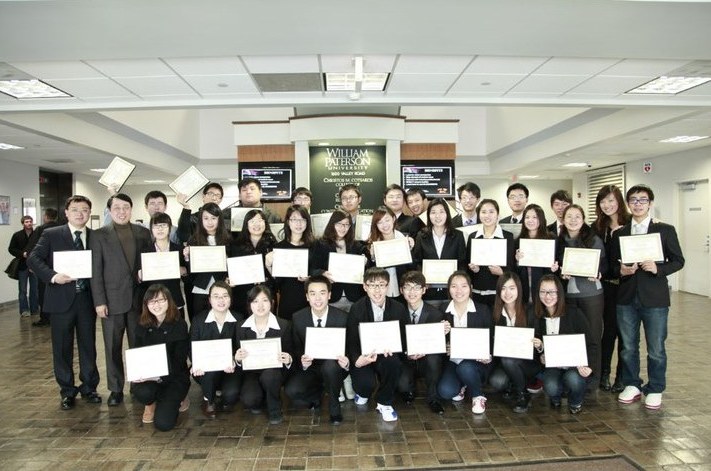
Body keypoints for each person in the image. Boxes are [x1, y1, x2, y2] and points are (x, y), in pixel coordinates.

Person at [610, 184, 684, 410]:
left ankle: (655, 388)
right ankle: (632, 384)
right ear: (628, 204)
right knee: (628, 347)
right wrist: (621, 271)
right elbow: (612, 266)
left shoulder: (665, 230)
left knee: (656, 348)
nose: (638, 204)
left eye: (642, 200)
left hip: (655, 299)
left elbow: (678, 261)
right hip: (626, 298)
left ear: (650, 203)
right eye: (633, 200)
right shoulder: (620, 233)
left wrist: (658, 268)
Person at [27, 195, 101, 410]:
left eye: (85, 210)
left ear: (89, 213)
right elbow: (33, 258)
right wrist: (52, 276)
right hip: (60, 299)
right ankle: (67, 391)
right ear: (66, 212)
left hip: (87, 299)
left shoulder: (95, 236)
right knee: (62, 347)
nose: (80, 213)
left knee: (88, 346)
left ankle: (89, 387)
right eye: (75, 209)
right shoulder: (52, 234)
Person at [90, 193, 153, 407]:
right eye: (116, 207)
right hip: (111, 300)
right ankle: (115, 389)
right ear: (109, 210)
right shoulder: (99, 235)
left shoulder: (143, 233)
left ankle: (138, 384)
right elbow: (96, 271)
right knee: (112, 347)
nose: (121, 211)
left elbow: (149, 262)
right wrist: (99, 302)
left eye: (126, 207)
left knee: (138, 345)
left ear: (131, 209)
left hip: (138, 300)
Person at [284, 275, 349, 425]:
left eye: (322, 293)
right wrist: (303, 362)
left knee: (330, 367)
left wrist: (346, 362)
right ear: (307, 296)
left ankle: (334, 405)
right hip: (311, 368)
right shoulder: (298, 318)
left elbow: (350, 347)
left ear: (329, 295)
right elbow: (296, 348)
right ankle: (317, 394)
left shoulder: (342, 317)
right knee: (292, 391)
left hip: (334, 366)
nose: (318, 298)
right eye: (313, 293)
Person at [347, 267, 408, 422]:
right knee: (365, 386)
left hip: (387, 354)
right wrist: (357, 360)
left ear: (387, 286)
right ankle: (363, 393)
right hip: (364, 355)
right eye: (372, 285)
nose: (377, 290)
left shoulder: (399, 308)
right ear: (365, 287)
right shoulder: (357, 308)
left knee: (393, 363)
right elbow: (351, 340)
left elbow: (404, 338)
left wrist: (396, 348)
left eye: (381, 285)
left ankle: (384, 403)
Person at [556, 204, 605, 388]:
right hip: (568, 295)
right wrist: (560, 272)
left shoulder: (593, 239)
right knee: (573, 336)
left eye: (577, 216)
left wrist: (598, 272)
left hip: (591, 294)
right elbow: (556, 266)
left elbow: (604, 264)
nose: (573, 220)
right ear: (563, 219)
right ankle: (574, 377)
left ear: (583, 219)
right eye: (569, 216)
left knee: (593, 335)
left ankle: (593, 378)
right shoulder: (560, 241)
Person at [532, 274, 594, 414]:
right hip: (552, 366)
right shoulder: (537, 316)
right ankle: (555, 397)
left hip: (574, 365)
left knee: (573, 379)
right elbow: (538, 348)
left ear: (559, 292)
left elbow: (591, 343)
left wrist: (589, 366)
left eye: (552, 292)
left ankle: (575, 401)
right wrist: (541, 353)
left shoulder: (574, 313)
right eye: (543, 292)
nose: (547, 296)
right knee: (550, 386)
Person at [132, 284, 190, 431]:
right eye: (152, 301)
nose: (156, 305)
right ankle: (150, 403)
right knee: (142, 392)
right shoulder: (141, 324)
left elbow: (179, 361)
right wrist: (138, 373)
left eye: (161, 300)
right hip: (150, 379)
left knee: (164, 424)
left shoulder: (180, 325)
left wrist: (159, 376)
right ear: (146, 304)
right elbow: (137, 353)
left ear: (169, 301)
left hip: (174, 378)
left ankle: (179, 397)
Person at [235, 285, 293, 425]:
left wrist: (288, 358)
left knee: (270, 376)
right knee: (250, 400)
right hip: (252, 372)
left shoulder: (284, 325)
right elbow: (238, 354)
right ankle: (262, 397)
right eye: (255, 301)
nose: (260, 306)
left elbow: (291, 352)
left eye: (264, 300)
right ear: (250, 304)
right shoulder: (241, 327)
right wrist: (237, 359)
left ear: (272, 302)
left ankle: (274, 409)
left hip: (274, 372)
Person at [437, 271, 493, 415]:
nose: (459, 291)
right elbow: (437, 341)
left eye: (463, 286)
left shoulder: (483, 310)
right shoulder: (443, 309)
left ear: (471, 288)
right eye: (454, 286)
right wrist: (444, 342)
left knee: (465, 368)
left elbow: (491, 339)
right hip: (454, 361)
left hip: (476, 362)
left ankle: (477, 395)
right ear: (449, 289)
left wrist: (488, 355)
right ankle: (464, 383)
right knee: (445, 392)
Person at [592, 185, 631, 393]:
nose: (607, 205)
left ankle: (622, 376)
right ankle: (604, 373)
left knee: (626, 334)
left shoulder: (632, 224)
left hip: (628, 287)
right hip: (606, 287)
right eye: (603, 201)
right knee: (607, 332)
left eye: (611, 200)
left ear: (619, 201)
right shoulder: (597, 226)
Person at [190, 281, 244, 418]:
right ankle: (208, 400)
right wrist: (196, 363)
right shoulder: (198, 320)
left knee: (230, 396)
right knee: (209, 373)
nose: (221, 300)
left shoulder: (239, 319)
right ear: (209, 300)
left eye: (225, 296)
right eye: (216, 296)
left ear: (230, 299)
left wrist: (234, 360)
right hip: (206, 370)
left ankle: (219, 391)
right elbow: (192, 346)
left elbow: (240, 346)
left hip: (230, 368)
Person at [488, 272, 540, 413]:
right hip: (504, 362)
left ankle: (522, 394)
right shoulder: (495, 313)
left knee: (508, 361)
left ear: (519, 289)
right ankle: (514, 383)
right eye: (503, 289)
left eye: (512, 288)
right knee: (497, 381)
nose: (507, 293)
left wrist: (539, 344)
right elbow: (491, 342)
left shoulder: (530, 311)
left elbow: (539, 338)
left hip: (528, 362)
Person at [398, 270, 445, 415]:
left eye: (417, 287)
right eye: (407, 287)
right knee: (402, 386)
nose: (412, 292)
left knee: (434, 358)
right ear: (401, 290)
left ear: (424, 290)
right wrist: (407, 353)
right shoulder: (397, 312)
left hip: (427, 359)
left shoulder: (435, 314)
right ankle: (409, 389)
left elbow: (438, 345)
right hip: (406, 358)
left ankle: (433, 398)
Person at [411, 198, 466, 307]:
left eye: (441, 212)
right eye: (433, 212)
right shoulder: (421, 236)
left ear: (447, 214)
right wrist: (423, 279)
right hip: (429, 292)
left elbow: (462, 262)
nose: (437, 216)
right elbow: (417, 262)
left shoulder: (458, 235)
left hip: (452, 293)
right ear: (428, 215)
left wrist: (457, 283)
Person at [312, 210, 369, 312]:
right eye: (339, 224)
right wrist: (323, 273)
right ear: (332, 224)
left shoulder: (355, 245)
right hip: (331, 296)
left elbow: (368, 262)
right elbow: (313, 269)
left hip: (354, 297)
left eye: (347, 225)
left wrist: (365, 261)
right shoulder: (321, 244)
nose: (343, 228)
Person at [184, 202, 232, 319]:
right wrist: (187, 257)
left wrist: (227, 260)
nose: (210, 222)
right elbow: (190, 271)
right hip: (201, 288)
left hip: (222, 287)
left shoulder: (228, 239)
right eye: (206, 218)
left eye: (213, 218)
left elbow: (233, 266)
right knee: (200, 320)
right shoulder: (194, 240)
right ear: (201, 220)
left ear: (219, 219)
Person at [265, 205, 314, 320]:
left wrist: (310, 278)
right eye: (294, 219)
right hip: (287, 299)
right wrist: (268, 266)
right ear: (288, 222)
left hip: (310, 300)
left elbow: (319, 272)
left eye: (302, 219)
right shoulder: (279, 248)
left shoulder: (314, 246)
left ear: (307, 222)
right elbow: (276, 282)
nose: (299, 223)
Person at [466, 199, 515, 306]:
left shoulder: (508, 237)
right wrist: (474, 269)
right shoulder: (473, 237)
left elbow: (512, 266)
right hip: (477, 292)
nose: (487, 215)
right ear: (479, 215)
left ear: (497, 215)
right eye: (483, 212)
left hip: (500, 292)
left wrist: (502, 272)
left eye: (491, 212)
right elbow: (467, 265)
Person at [140, 213, 187, 318]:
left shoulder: (179, 250)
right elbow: (142, 283)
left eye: (163, 225)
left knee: (178, 327)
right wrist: (140, 276)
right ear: (151, 229)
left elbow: (188, 278)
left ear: (170, 228)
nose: (160, 229)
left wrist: (184, 271)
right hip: (153, 303)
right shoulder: (145, 252)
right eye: (156, 226)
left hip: (175, 300)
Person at [231, 209, 277, 313]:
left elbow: (277, 274)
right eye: (252, 221)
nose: (256, 224)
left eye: (260, 220)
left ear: (265, 223)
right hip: (242, 293)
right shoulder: (236, 245)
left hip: (266, 292)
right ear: (246, 224)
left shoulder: (273, 245)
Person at [367, 206, 414, 300]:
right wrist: (373, 257)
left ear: (393, 219)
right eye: (380, 222)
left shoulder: (404, 240)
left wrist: (409, 250)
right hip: (380, 292)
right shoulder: (372, 243)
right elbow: (369, 273)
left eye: (387, 220)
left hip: (403, 288)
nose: (384, 225)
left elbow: (412, 267)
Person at [515, 204, 558, 304]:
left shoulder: (551, 239)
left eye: (535, 217)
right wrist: (517, 261)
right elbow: (514, 271)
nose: (530, 220)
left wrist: (554, 268)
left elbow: (557, 264)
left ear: (541, 219)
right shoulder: (518, 241)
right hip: (524, 288)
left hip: (545, 290)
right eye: (527, 217)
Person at [25, 208, 60, 326]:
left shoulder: (41, 229)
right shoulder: (63, 228)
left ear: (45, 216)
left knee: (43, 292)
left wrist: (32, 264)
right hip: (60, 266)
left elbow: (33, 247)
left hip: (44, 266)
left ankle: (45, 318)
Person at [8, 215, 39, 317]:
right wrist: (22, 254)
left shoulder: (37, 234)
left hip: (35, 265)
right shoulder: (17, 235)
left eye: (30, 221)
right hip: (22, 265)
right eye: (26, 222)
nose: (29, 223)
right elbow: (11, 249)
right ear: (23, 223)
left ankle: (34, 309)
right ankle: (24, 310)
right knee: (23, 289)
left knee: (35, 289)